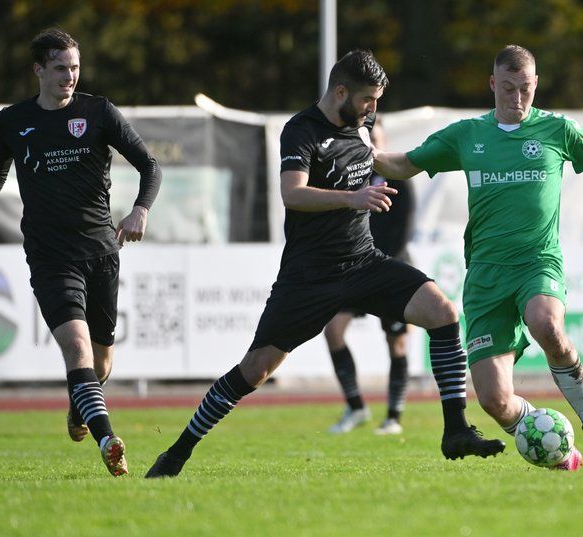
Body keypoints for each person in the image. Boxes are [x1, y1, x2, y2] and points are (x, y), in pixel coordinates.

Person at [145, 50, 505, 478]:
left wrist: (445, 156)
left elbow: (388, 162)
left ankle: (456, 430)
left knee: (443, 313)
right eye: (367, 99)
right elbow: (292, 193)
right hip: (309, 276)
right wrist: (353, 198)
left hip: (364, 261)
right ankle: (177, 453)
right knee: (255, 369)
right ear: (340, 92)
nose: (372, 108)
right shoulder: (301, 131)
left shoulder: (363, 125)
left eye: (376, 100)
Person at [374, 44, 583, 471]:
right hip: (485, 276)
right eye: (508, 88)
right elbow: (403, 165)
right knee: (495, 401)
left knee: (546, 324)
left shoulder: (558, 130)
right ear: (493, 84)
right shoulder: (467, 135)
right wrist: (361, 151)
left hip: (537, 262)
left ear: (536, 84)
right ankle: (557, 448)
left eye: (525, 89)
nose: (517, 98)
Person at [0, 28, 162, 477]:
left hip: (101, 251)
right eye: (60, 68)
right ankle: (108, 439)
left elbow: (150, 165)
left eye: (75, 68)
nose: (70, 76)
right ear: (39, 70)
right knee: (77, 345)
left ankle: (79, 402)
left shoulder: (99, 112)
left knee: (101, 362)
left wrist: (140, 209)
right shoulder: (13, 121)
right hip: (50, 255)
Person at [325, 119, 417, 436]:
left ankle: (393, 417)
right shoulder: (348, 175)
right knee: (333, 329)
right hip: (355, 267)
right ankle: (355, 407)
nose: (367, 141)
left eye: (373, 135)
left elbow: (404, 226)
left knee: (397, 342)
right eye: (362, 136)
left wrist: (386, 264)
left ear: (383, 139)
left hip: (390, 266)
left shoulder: (397, 175)